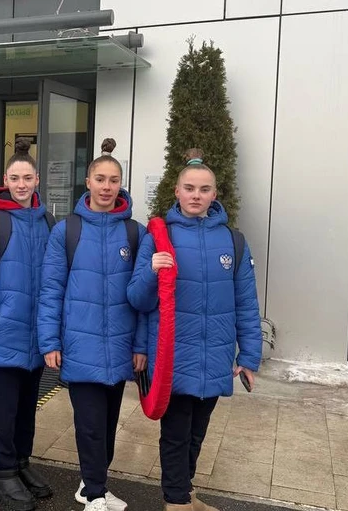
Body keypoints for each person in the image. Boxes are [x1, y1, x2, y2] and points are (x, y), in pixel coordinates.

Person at [127, 149, 262, 511]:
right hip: (173, 355)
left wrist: (249, 356)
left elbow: (246, 303)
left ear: (214, 194)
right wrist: (151, 271)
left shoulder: (233, 241)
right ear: (177, 191)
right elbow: (137, 299)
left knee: (196, 434)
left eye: (204, 189)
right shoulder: (158, 237)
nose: (196, 195)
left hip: (215, 355)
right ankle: (176, 501)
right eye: (189, 188)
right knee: (175, 434)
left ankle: (183, 493)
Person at [38, 138, 146, 511]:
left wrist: (141, 346)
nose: (106, 186)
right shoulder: (66, 231)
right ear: (88, 182)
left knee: (108, 425)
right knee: (89, 425)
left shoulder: (135, 233)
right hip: (80, 346)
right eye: (100, 179)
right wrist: (50, 341)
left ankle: (91, 484)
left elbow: (144, 299)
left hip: (119, 346)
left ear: (121, 184)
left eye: (113, 180)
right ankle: (96, 496)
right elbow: (51, 290)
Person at [0, 138, 54, 511]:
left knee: (27, 406)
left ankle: (21, 462)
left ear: (37, 180)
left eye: (27, 178)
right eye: (15, 178)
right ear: (6, 180)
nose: (21, 184)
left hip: (37, 336)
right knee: (4, 410)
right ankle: (3, 474)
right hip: (5, 332)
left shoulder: (47, 221)